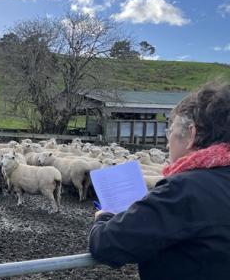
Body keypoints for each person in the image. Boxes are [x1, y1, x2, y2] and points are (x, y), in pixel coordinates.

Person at [89, 82, 230, 279]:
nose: (166, 141)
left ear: (191, 134)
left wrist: (103, 217)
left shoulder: (184, 189)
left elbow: (108, 244)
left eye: (169, 132)